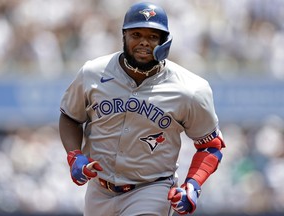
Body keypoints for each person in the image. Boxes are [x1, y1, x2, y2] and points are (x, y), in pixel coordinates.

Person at [59, 2, 225, 216]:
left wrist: (193, 185)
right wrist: (74, 155)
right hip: (99, 190)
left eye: (153, 36)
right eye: (136, 34)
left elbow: (211, 146)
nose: (144, 42)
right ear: (124, 36)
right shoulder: (92, 72)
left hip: (151, 190)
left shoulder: (190, 89)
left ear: (165, 41)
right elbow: (70, 116)